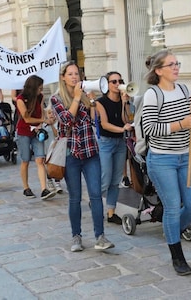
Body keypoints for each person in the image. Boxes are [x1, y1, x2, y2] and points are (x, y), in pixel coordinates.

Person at [141, 49, 191, 276]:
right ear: (159, 71)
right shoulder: (153, 95)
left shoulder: (185, 90)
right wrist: (181, 123)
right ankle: (177, 256)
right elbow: (149, 129)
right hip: (161, 159)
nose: (176, 67)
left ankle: (169, 225)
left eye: (177, 63)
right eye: (171, 64)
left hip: (186, 156)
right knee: (173, 207)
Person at [50, 62, 115, 252]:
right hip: (71, 155)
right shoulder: (56, 99)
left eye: (76, 74)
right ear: (63, 77)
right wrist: (77, 98)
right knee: (75, 198)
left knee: (95, 195)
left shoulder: (85, 95)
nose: (74, 77)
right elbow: (67, 119)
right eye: (70, 74)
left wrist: (92, 102)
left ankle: (100, 236)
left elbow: (94, 121)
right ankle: (76, 236)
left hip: (90, 152)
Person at [95, 71, 133, 225]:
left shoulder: (124, 99)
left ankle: (111, 212)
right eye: (114, 82)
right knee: (105, 177)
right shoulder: (100, 102)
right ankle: (96, 203)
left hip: (120, 143)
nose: (118, 84)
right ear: (107, 85)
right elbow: (104, 124)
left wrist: (125, 103)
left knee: (116, 180)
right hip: (105, 142)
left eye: (120, 81)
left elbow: (127, 119)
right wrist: (122, 130)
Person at [16, 75, 56, 200]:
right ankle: (26, 187)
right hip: (24, 131)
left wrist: (46, 118)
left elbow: (41, 111)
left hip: (37, 131)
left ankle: (44, 189)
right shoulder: (20, 99)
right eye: (39, 88)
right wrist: (43, 120)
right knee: (25, 160)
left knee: (40, 159)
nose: (41, 90)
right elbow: (26, 118)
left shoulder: (40, 97)